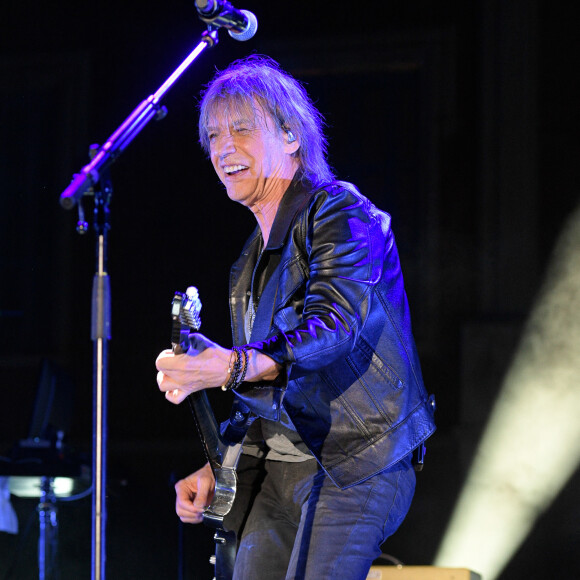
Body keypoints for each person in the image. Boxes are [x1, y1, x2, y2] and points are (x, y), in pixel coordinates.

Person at [155, 55, 436, 580]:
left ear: (290, 137)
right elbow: (266, 388)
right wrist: (222, 465)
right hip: (276, 470)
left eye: (242, 128)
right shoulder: (247, 264)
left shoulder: (342, 213)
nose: (223, 148)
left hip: (357, 463)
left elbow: (333, 326)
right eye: (214, 135)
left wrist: (233, 365)